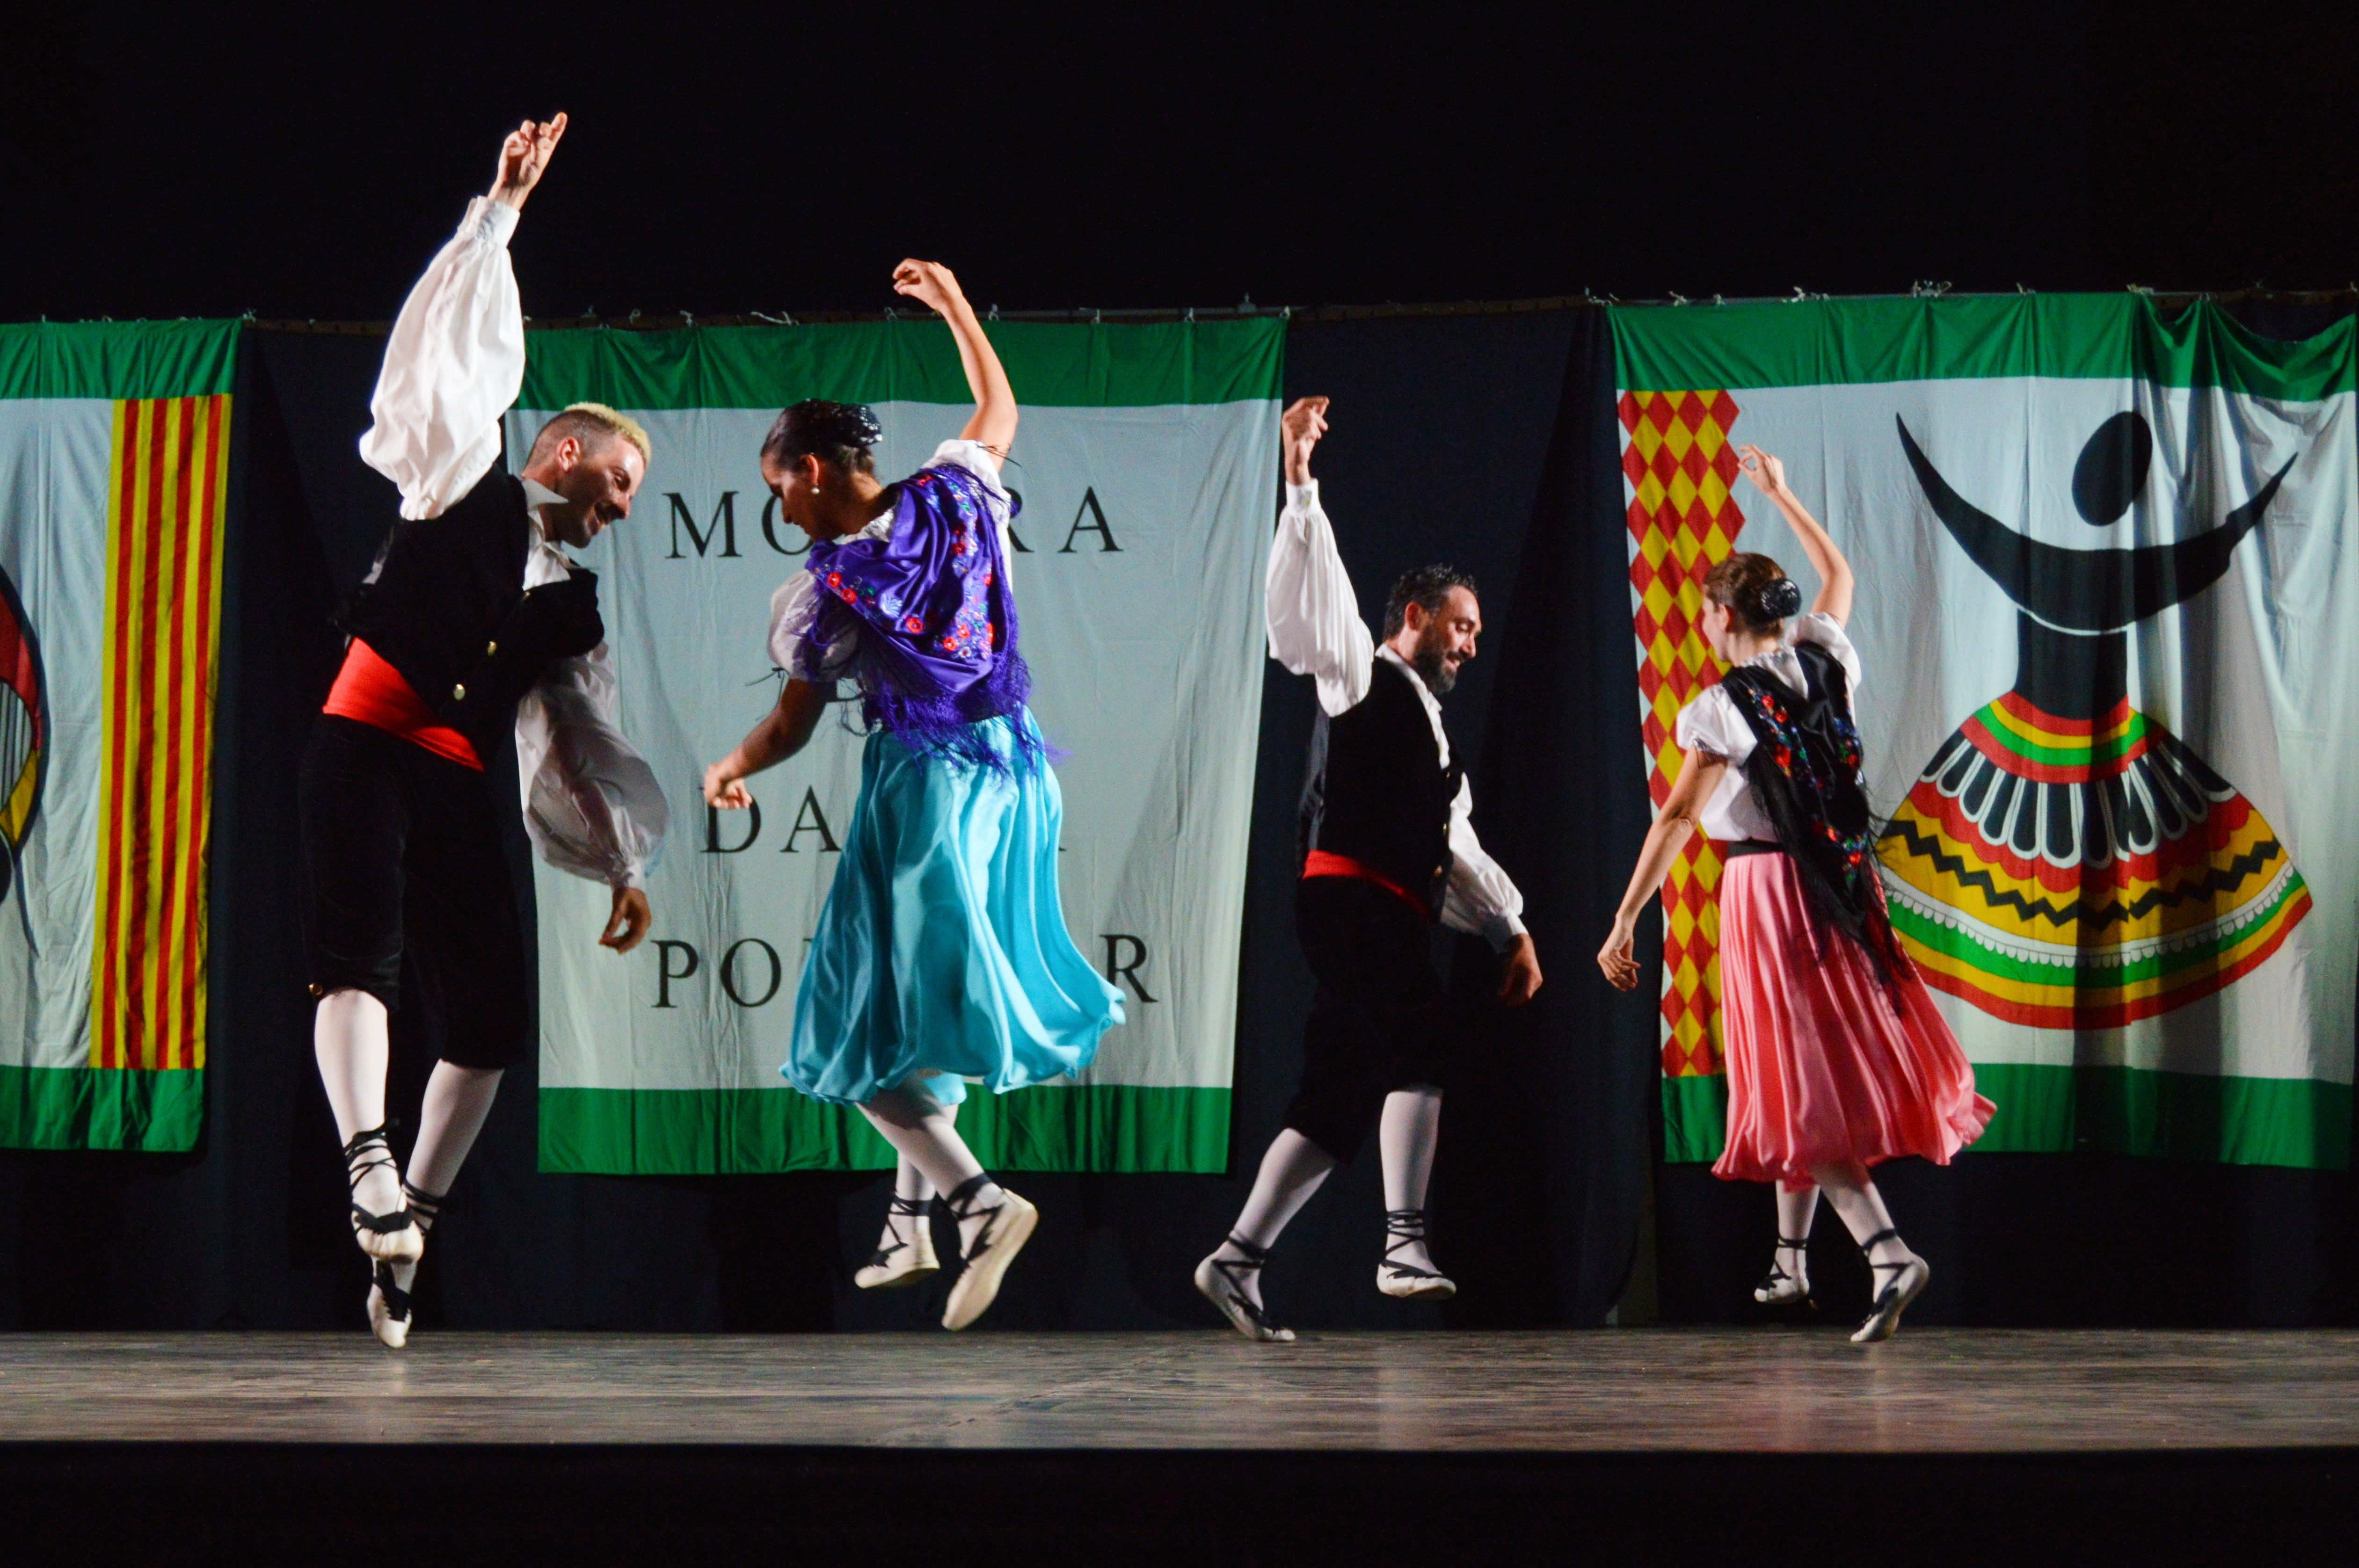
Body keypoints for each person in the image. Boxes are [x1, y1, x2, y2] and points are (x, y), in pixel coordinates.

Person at [702, 259, 1123, 1332]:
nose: (779, 507)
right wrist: (953, 308)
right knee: (921, 1006)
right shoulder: (956, 486)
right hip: (1014, 773)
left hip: (927, 786)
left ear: (807, 468)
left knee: (846, 1028)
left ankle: (978, 1202)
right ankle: (908, 1219)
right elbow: (999, 403)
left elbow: (792, 725)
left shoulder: (833, 587)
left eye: (777, 487)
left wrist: (730, 767)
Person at [302, 114, 667, 1350]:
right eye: (617, 484)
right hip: (366, 734)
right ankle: (365, 1164)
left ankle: (409, 1230)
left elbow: (578, 738)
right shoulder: (460, 475)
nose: (620, 509)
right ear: (567, 451)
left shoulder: (572, 602)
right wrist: (499, 213)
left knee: (494, 1027)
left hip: (451, 776)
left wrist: (620, 860)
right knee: (360, 959)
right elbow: (446, 357)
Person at [1598, 444, 1992, 1343]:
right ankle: (1788, 1262)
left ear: (1724, 615)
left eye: (1704, 613)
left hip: (1769, 898)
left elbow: (1673, 823)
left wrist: (1624, 919)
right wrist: (1782, 494)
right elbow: (1840, 573)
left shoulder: (1722, 708)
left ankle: (1887, 1253)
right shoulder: (1825, 661)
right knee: (1798, 1073)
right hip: (1841, 890)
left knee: (1795, 1084)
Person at [1194, 396, 1544, 1344]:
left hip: (1380, 907)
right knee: (1422, 1046)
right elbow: (1314, 613)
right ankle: (1402, 1244)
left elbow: (1457, 841)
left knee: (1339, 1094)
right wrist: (1299, 484)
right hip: (1349, 898)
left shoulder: (1432, 730)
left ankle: (1237, 1256)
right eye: (1461, 625)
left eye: (1476, 631)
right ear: (1416, 615)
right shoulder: (1363, 672)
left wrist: (1510, 927)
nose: (1470, 643)